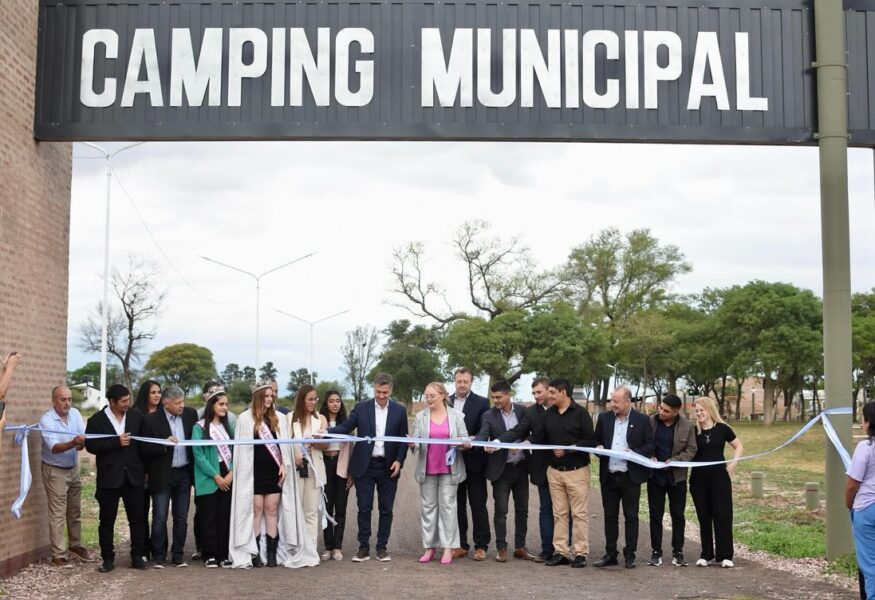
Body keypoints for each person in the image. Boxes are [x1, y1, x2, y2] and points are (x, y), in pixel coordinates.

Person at [228, 379, 318, 569]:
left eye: (272, 395)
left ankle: (271, 553)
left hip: (274, 470)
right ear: (258, 397)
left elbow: (284, 447)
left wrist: (284, 465)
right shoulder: (245, 419)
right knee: (256, 509)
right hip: (253, 472)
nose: (270, 399)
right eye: (266, 396)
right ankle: (254, 555)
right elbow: (241, 451)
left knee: (271, 509)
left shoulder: (278, 418)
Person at [328, 372, 409, 562]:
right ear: (374, 388)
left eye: (385, 392)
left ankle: (382, 548)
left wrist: (399, 460)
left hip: (389, 467)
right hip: (364, 466)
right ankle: (363, 548)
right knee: (364, 508)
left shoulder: (399, 411)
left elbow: (403, 440)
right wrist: (325, 433)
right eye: (378, 392)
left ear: (391, 391)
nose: (381, 396)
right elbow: (346, 427)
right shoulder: (361, 408)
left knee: (386, 509)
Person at [84, 384, 148, 573]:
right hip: (109, 479)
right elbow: (91, 446)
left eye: (128, 399)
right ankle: (107, 559)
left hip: (133, 477)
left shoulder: (136, 417)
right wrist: (116, 442)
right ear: (111, 402)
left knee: (137, 519)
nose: (128, 403)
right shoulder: (96, 420)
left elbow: (145, 442)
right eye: (123, 401)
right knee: (107, 520)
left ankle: (137, 557)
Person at [533, 378, 595, 568]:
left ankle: (580, 552)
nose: (548, 396)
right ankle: (561, 551)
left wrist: (569, 449)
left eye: (552, 392)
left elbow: (590, 441)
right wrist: (522, 443)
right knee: (559, 513)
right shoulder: (548, 415)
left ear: (563, 393)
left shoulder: (581, 414)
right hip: (554, 472)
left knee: (579, 514)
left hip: (577, 472)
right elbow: (538, 436)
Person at [593, 385, 654, 569]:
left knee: (631, 516)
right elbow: (595, 440)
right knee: (610, 517)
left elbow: (650, 444)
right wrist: (598, 448)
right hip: (609, 476)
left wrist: (634, 453)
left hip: (630, 477)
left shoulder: (642, 420)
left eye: (616, 401)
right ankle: (610, 554)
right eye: (612, 400)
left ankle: (630, 554)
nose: (613, 404)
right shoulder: (604, 418)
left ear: (628, 402)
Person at [498, 377, 556, 562]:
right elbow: (519, 430)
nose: (536, 396)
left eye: (539, 392)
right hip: (542, 469)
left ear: (549, 390)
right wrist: (499, 442)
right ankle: (547, 550)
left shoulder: (564, 409)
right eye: (534, 393)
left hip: (568, 469)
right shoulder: (530, 413)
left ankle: (565, 549)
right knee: (546, 508)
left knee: (565, 511)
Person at [410, 382, 468, 565]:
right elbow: (417, 441)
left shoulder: (457, 416)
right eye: (426, 396)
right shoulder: (420, 417)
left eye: (432, 395)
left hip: (449, 469)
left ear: (443, 395)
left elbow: (465, 438)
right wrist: (412, 444)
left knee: (448, 508)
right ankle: (429, 547)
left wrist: (464, 443)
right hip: (427, 469)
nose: (429, 399)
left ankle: (448, 548)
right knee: (428, 508)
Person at [141, 385, 197, 568]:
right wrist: (163, 444)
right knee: (160, 517)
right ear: (166, 403)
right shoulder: (150, 420)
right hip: (162, 475)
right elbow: (144, 449)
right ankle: (158, 555)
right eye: (177, 402)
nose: (182, 405)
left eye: (183, 401)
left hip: (184, 473)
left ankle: (178, 555)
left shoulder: (191, 415)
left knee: (181, 517)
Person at [476, 380, 531, 562]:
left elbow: (529, 432)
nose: (495, 400)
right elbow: (484, 434)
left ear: (508, 394)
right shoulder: (488, 415)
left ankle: (520, 547)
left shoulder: (523, 411)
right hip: (501, 471)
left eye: (498, 397)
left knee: (522, 510)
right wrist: (483, 444)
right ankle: (501, 548)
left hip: (521, 468)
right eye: (493, 397)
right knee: (501, 511)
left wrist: (525, 444)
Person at [39, 385, 92, 567]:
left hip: (73, 468)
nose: (67, 403)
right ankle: (58, 555)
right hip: (55, 471)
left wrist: (80, 445)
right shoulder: (47, 420)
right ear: (54, 401)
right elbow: (53, 448)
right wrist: (73, 442)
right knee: (58, 513)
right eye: (63, 399)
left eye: (69, 399)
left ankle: (75, 546)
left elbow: (81, 440)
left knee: (75, 510)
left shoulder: (76, 415)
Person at [690, 396, 743, 568]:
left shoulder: (722, 429)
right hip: (698, 480)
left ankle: (725, 555)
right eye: (696, 411)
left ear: (709, 409)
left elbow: (739, 446)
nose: (698, 414)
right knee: (704, 516)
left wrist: (733, 463)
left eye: (701, 410)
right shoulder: (693, 432)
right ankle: (706, 554)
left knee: (723, 515)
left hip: (719, 479)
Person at [646, 394, 697, 567]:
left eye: (666, 411)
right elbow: (643, 443)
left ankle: (678, 552)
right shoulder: (650, 422)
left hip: (677, 478)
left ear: (676, 412)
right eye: (661, 408)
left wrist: (675, 461)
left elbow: (691, 450)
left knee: (678, 515)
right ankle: (656, 552)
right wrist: (649, 456)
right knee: (655, 515)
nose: (661, 412)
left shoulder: (688, 427)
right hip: (655, 477)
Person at [448, 367, 491, 560]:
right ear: (455, 381)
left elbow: (485, 429)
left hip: (474, 461)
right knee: (457, 505)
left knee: (478, 503)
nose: (462, 384)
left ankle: (481, 545)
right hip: (452, 461)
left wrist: (471, 442)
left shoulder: (482, 402)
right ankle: (461, 544)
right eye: (459, 381)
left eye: (466, 381)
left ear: (471, 382)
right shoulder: (446, 401)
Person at [192, 387, 235, 568]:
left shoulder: (228, 427)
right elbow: (198, 453)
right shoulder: (199, 427)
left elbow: (236, 450)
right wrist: (216, 475)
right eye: (221, 404)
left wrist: (231, 473)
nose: (224, 407)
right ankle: (209, 554)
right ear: (212, 405)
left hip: (227, 472)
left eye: (226, 404)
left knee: (224, 516)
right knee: (208, 515)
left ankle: (223, 553)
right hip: (209, 475)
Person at [290, 384, 329, 549]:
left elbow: (325, 447)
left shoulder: (320, 419)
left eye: (315, 399)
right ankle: (296, 546)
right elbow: (284, 444)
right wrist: (295, 454)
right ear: (302, 400)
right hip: (296, 469)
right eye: (310, 399)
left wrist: (317, 441)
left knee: (311, 511)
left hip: (314, 469)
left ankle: (311, 549)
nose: (313, 402)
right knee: (295, 509)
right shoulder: (290, 418)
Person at [318, 390, 352, 561]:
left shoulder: (346, 424)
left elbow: (352, 449)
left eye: (338, 401)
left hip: (342, 465)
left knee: (340, 508)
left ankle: (338, 547)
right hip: (325, 465)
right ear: (326, 403)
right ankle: (328, 547)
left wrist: (351, 473)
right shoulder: (319, 421)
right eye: (331, 401)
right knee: (326, 507)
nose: (335, 404)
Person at [848, 403, 875, 600]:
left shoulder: (865, 448)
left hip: (866, 508)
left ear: (867, 422)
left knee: (869, 564)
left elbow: (852, 484)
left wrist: (850, 504)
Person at [133, 379, 161, 561]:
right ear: (145, 394)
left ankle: (158, 548)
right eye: (153, 392)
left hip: (160, 469)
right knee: (141, 511)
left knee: (159, 513)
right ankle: (141, 549)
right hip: (141, 470)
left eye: (159, 392)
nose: (157, 395)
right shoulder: (136, 415)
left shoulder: (164, 415)